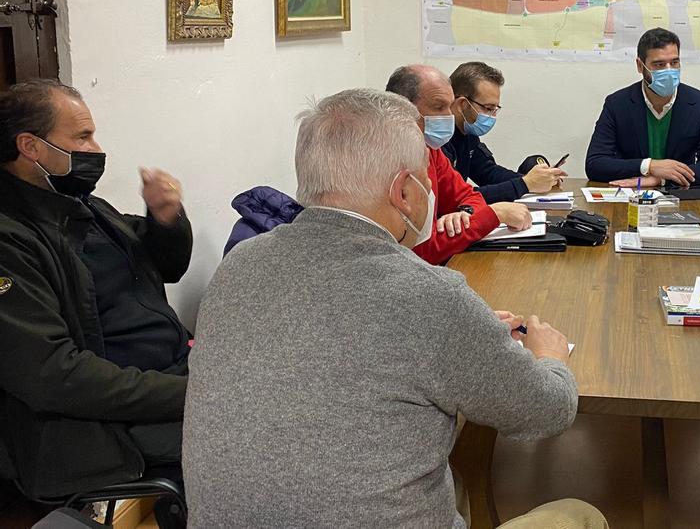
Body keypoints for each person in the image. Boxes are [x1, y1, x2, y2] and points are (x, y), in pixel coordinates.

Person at [183, 89, 607, 528]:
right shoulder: (432, 297)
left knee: (449, 483)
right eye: (426, 180)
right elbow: (547, 411)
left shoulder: (239, 264)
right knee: (582, 516)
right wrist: (551, 358)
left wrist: (466, 336)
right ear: (405, 191)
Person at [0, 81, 191, 503]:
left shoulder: (83, 205)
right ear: (30, 146)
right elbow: (54, 375)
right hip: (107, 427)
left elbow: (167, 267)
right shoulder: (11, 239)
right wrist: (192, 393)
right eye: (82, 137)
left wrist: (165, 219)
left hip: (173, 379)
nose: (95, 148)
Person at [386, 64, 532, 265]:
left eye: (449, 105)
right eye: (438, 107)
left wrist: (466, 215)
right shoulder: (389, 162)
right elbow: (418, 251)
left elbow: (468, 196)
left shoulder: (431, 149)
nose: (448, 115)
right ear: (401, 109)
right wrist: (494, 215)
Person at [584, 27, 700, 188]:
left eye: (674, 62)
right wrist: (649, 166)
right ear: (640, 65)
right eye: (659, 64)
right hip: (628, 199)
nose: (669, 70)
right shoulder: (617, 104)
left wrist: (661, 180)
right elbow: (595, 164)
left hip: (681, 199)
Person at [445, 61, 565, 202]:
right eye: (488, 108)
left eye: (496, 109)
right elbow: (455, 197)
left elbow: (488, 173)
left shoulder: (467, 131)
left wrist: (538, 179)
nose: (492, 116)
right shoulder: (439, 139)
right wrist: (525, 184)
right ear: (463, 104)